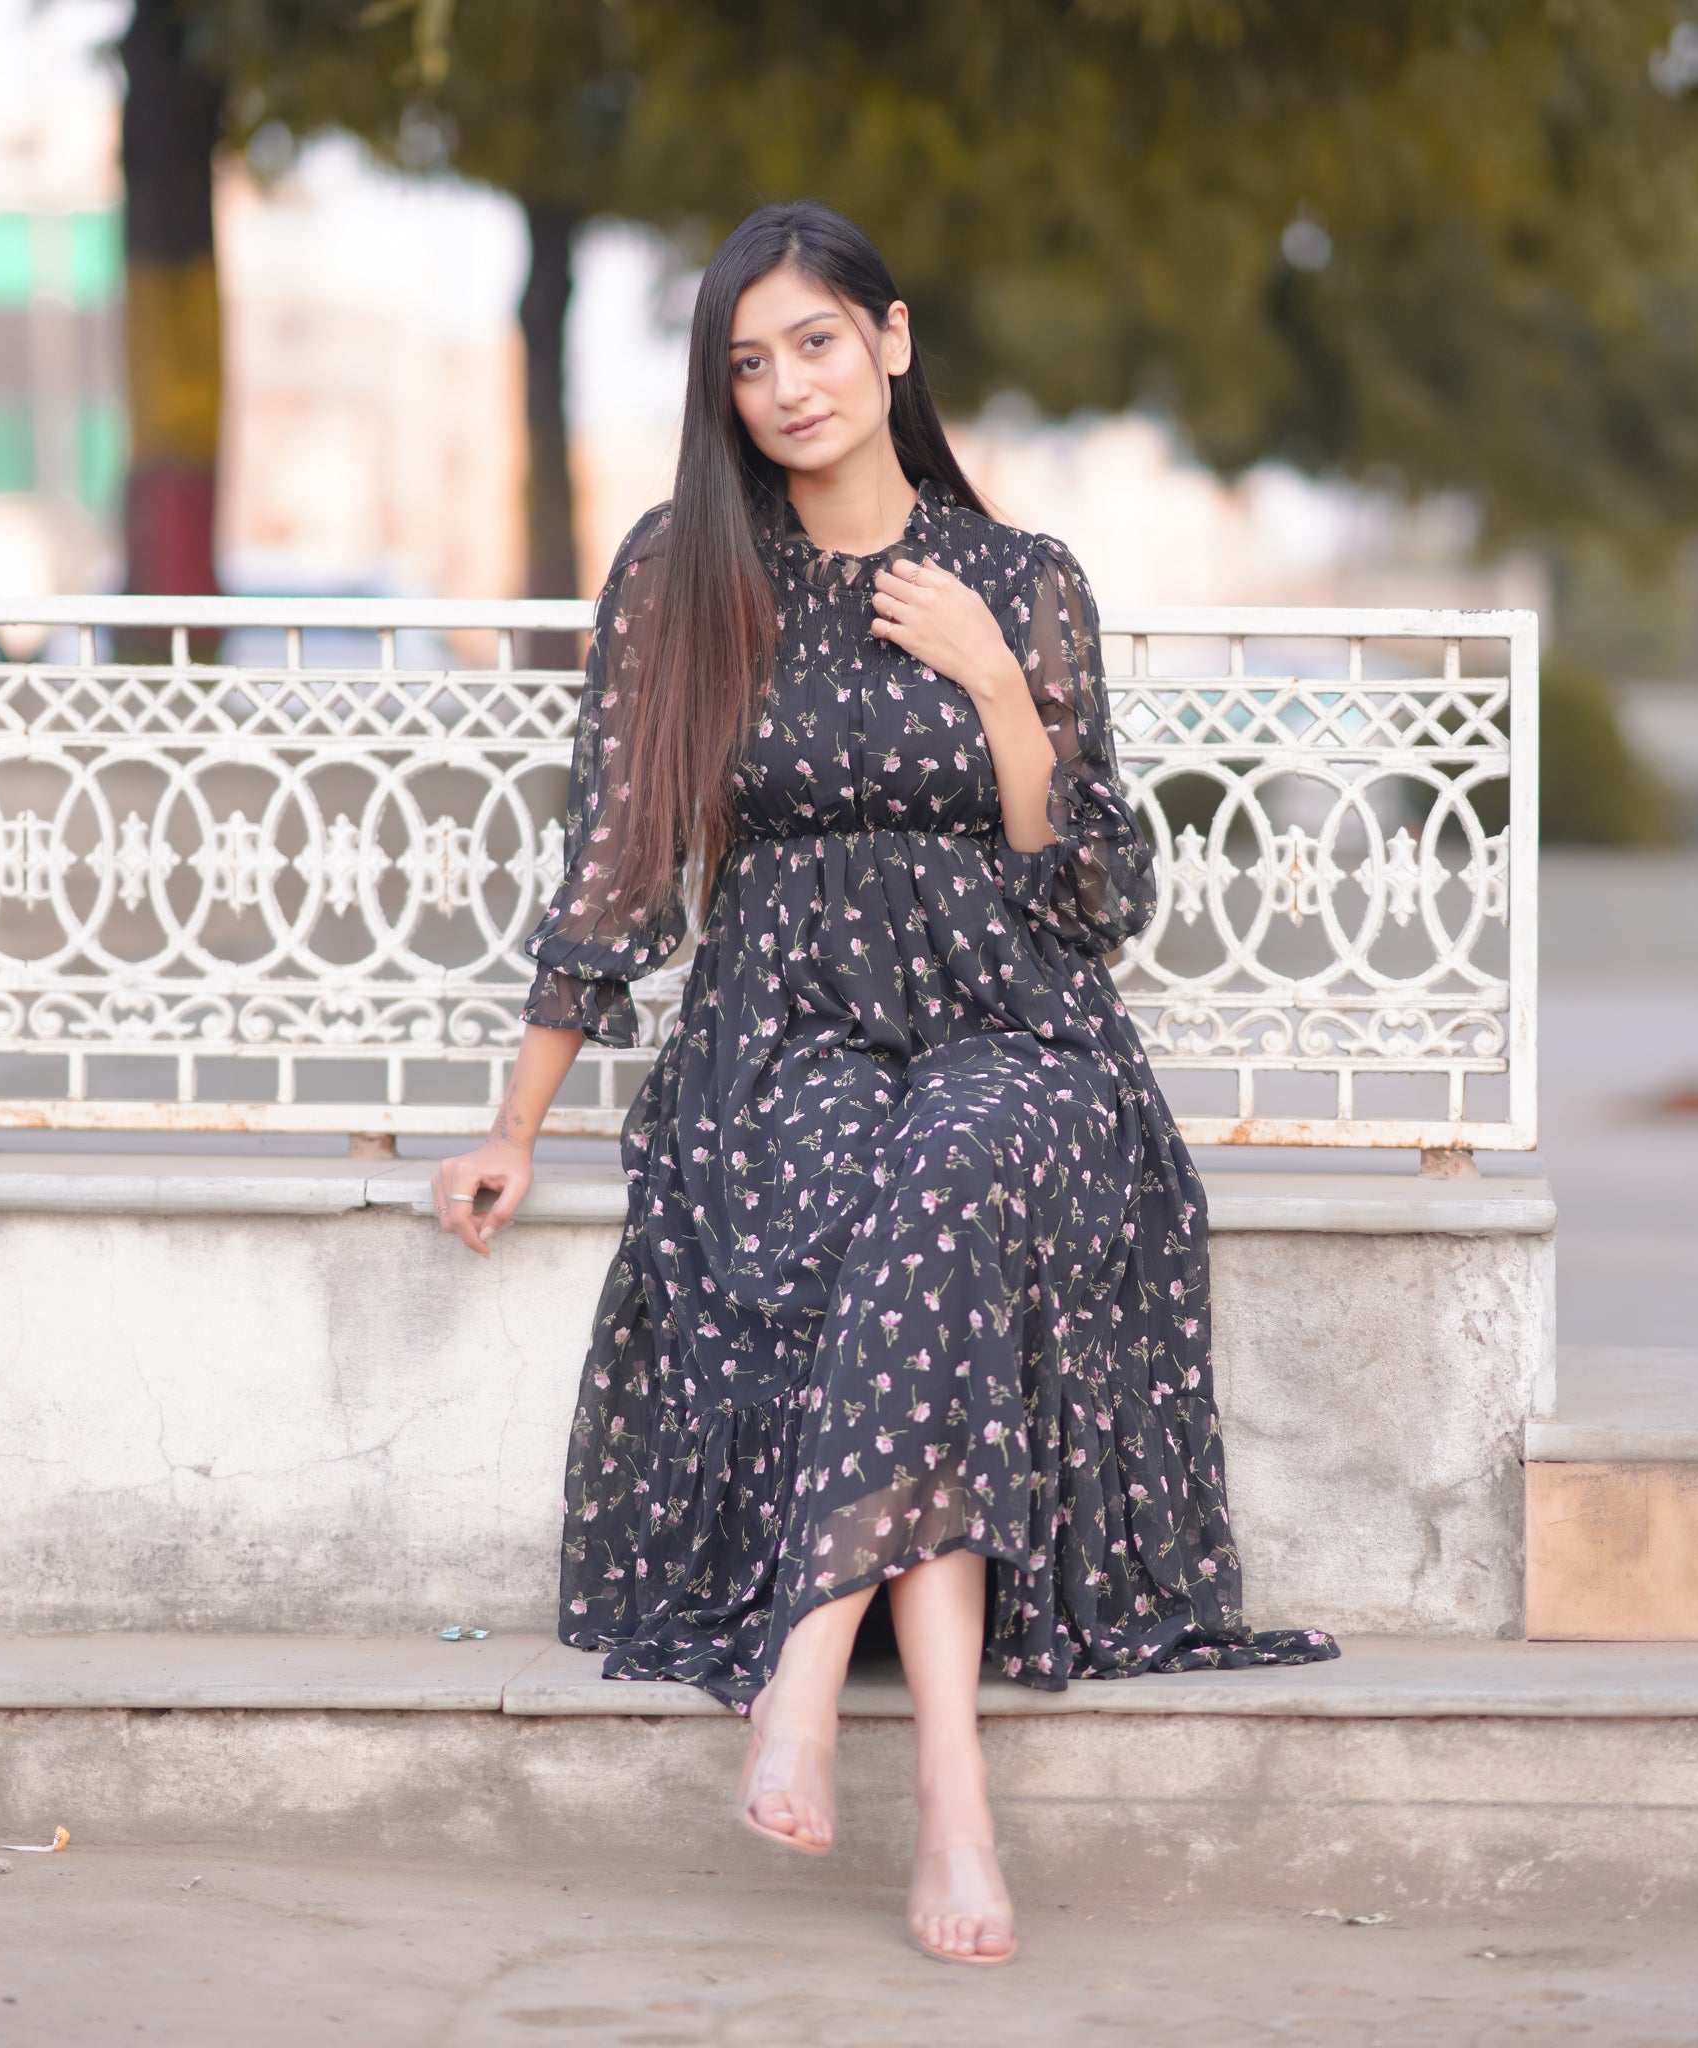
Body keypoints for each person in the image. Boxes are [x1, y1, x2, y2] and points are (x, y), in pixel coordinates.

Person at [430, 201, 1337, 1967]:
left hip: (1023, 1037)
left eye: (817, 344)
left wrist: (998, 687)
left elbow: (1096, 897)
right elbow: (618, 868)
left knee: (956, 1162)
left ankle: (807, 1677)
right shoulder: (681, 576)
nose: (787, 387)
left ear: (893, 343)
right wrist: (515, 1125)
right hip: (783, 1039)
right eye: (748, 363)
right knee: (891, 1190)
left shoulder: (1022, 579)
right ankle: (950, 1795)